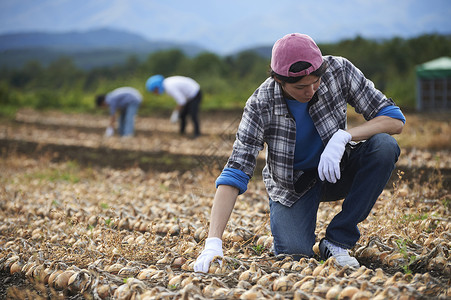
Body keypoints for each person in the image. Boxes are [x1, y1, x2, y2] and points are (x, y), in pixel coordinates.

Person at [194, 33, 406, 272]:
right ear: (278, 80)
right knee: (295, 258)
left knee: (384, 146)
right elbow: (236, 171)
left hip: (337, 169)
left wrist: (344, 136)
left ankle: (337, 240)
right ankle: (301, 238)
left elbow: (394, 119)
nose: (311, 90)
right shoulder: (260, 104)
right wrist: (213, 242)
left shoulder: (339, 71)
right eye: (300, 87)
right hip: (293, 187)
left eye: (316, 82)